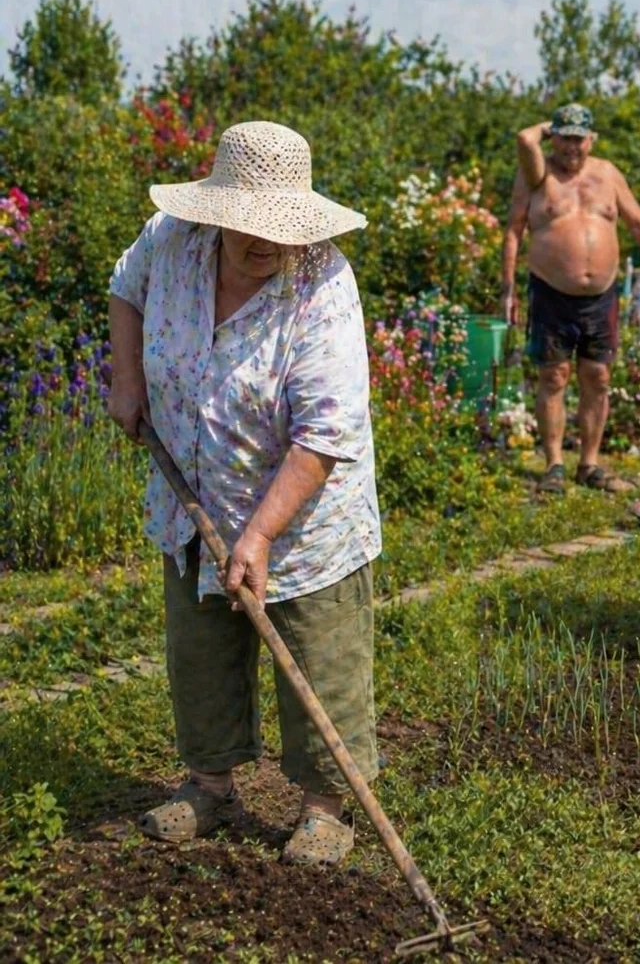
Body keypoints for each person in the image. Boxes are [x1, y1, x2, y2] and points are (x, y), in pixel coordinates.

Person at [106, 121, 382, 867]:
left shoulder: (323, 286)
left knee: (319, 654)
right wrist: (127, 377)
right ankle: (210, 788)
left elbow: (324, 435)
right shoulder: (171, 240)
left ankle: (325, 809)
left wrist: (258, 536)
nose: (265, 240)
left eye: (279, 226)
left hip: (306, 520)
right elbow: (125, 288)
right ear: (218, 212)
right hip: (193, 493)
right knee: (200, 650)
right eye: (248, 224)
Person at [502, 103, 640, 494]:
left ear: (592, 140)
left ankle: (589, 464)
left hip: (601, 296)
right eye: (564, 138)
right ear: (554, 138)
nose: (572, 147)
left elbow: (638, 222)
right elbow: (514, 227)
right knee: (553, 376)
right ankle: (554, 464)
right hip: (550, 291)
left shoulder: (607, 174)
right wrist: (508, 289)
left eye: (579, 139)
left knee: (597, 376)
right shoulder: (537, 175)